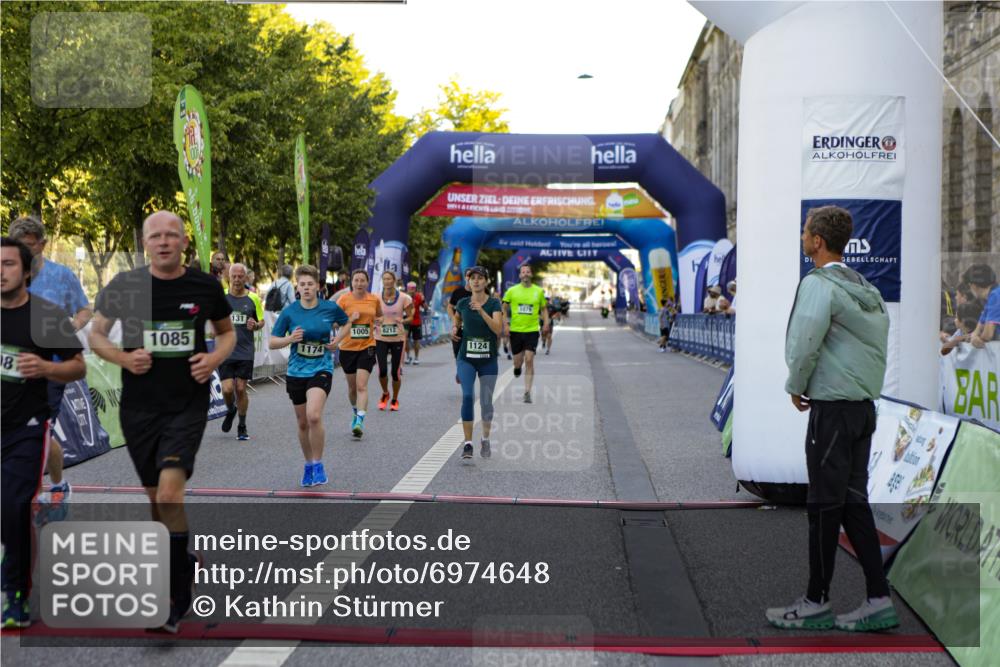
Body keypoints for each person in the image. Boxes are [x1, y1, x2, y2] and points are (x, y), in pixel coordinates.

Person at [89, 211, 235, 633]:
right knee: (157, 503)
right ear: (145, 242)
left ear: (185, 241)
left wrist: (212, 359)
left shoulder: (205, 286)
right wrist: (121, 357)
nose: (164, 241)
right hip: (138, 410)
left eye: (172, 234)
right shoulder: (125, 286)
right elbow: (98, 334)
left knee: (170, 495)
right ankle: (181, 561)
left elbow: (225, 334)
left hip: (185, 406)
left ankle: (176, 597)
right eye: (156, 236)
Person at [768, 205, 897, 633]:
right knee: (853, 503)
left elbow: (805, 338)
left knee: (823, 506)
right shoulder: (867, 288)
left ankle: (815, 602)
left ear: (817, 241)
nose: (803, 238)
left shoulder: (818, 284)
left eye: (806, 232)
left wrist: (796, 382)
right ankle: (879, 598)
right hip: (863, 408)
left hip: (832, 410)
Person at [1, 237, 86, 629]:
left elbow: (77, 367)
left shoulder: (45, 315)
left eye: (8, 264)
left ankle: (15, 591)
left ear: (27, 270)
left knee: (13, 505)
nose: (0, 272)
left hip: (26, 428)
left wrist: (46, 368)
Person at [8, 216, 92, 519]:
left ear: (42, 244)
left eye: (29, 247)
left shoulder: (61, 277)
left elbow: (85, 309)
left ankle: (42, 492)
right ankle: (55, 486)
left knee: (35, 429)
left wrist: (72, 325)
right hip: (10, 369)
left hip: (51, 369)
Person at [269, 265, 350, 486]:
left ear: (317, 286)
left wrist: (337, 341)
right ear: (298, 287)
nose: (306, 288)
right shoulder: (290, 312)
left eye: (310, 284)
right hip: (296, 371)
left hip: (321, 367)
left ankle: (318, 463)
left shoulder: (329, 308)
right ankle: (307, 464)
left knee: (314, 415)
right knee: (303, 422)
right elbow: (272, 342)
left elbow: (347, 323)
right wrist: (289, 339)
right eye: (302, 284)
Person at [451, 266, 503, 462]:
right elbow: (457, 319)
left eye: (480, 278)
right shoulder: (463, 303)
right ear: (469, 282)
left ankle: (485, 438)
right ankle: (467, 443)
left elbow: (498, 329)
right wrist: (455, 328)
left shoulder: (494, 304)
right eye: (473, 278)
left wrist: (481, 311)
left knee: (486, 402)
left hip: (488, 361)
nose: (476, 281)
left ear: (486, 282)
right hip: (467, 358)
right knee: (467, 396)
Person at [219, 263, 265, 441]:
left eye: (240, 276)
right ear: (229, 277)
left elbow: (261, 321)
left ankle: (242, 425)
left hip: (245, 350)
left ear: (245, 278)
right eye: (234, 276)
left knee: (240, 388)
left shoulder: (253, 298)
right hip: (225, 350)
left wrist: (256, 325)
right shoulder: (221, 297)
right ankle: (231, 409)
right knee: (227, 389)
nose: (237, 280)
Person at [337, 270, 383, 437]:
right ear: (352, 282)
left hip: (367, 346)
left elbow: (380, 316)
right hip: (347, 348)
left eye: (362, 280)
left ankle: (359, 422)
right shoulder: (343, 299)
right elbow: (335, 323)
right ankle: (356, 411)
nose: (359, 283)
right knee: (352, 388)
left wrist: (379, 321)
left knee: (361, 385)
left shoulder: (374, 299)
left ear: (367, 282)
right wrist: (350, 319)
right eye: (356, 280)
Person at [502, 264, 549, 403]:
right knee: (518, 361)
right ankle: (517, 368)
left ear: (531, 274)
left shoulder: (538, 291)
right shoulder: (512, 291)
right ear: (520, 275)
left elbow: (544, 309)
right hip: (516, 330)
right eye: (523, 272)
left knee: (529, 359)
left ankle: (527, 392)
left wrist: (546, 323)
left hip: (532, 330)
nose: (525, 274)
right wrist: (505, 324)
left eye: (528, 271)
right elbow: (503, 308)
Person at [374, 270, 413, 411]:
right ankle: (385, 393)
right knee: (382, 371)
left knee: (395, 373)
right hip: (380, 338)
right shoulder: (376, 298)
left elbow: (411, 317)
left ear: (394, 281)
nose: (387, 281)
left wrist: (403, 319)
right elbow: (373, 316)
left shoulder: (404, 298)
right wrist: (376, 320)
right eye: (384, 279)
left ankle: (395, 399)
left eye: (389, 279)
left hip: (398, 338)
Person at [965, 264, 999, 348]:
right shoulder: (991, 297)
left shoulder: (996, 296)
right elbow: (978, 328)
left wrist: (979, 339)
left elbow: (988, 334)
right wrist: (973, 337)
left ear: (973, 285)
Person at [447, 275, 473, 381]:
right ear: (466, 278)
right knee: (458, 353)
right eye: (469, 276)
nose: (472, 279)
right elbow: (450, 307)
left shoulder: (482, 292)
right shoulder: (458, 292)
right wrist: (454, 320)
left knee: (470, 355)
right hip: (458, 327)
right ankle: (460, 370)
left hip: (473, 329)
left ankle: (466, 374)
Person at [405, 280, 425, 365]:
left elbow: (425, 308)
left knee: (416, 341)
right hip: (406, 322)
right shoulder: (404, 297)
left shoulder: (419, 297)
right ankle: (408, 356)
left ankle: (416, 358)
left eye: (413, 289)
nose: (411, 290)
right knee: (405, 340)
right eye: (410, 289)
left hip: (416, 322)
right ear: (407, 289)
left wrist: (423, 301)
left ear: (415, 289)